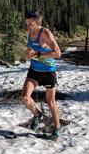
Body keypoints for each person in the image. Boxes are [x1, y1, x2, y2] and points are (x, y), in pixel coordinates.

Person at [21, 10, 62, 139]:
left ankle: (56, 128)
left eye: (31, 24)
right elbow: (31, 49)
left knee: (50, 102)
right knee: (25, 98)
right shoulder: (30, 32)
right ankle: (37, 115)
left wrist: (37, 54)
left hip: (48, 71)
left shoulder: (45, 33)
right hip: (34, 70)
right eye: (27, 24)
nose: (28, 27)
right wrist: (29, 53)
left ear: (38, 22)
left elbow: (58, 53)